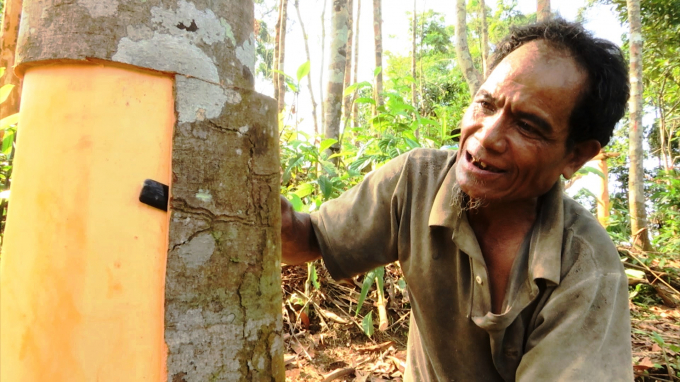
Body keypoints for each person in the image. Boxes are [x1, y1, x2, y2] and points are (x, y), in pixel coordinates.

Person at [281, 19, 633, 381]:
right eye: (486, 104)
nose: (488, 137)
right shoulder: (417, 182)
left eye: (528, 126)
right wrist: (273, 217)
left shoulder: (586, 270)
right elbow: (307, 239)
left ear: (576, 156)